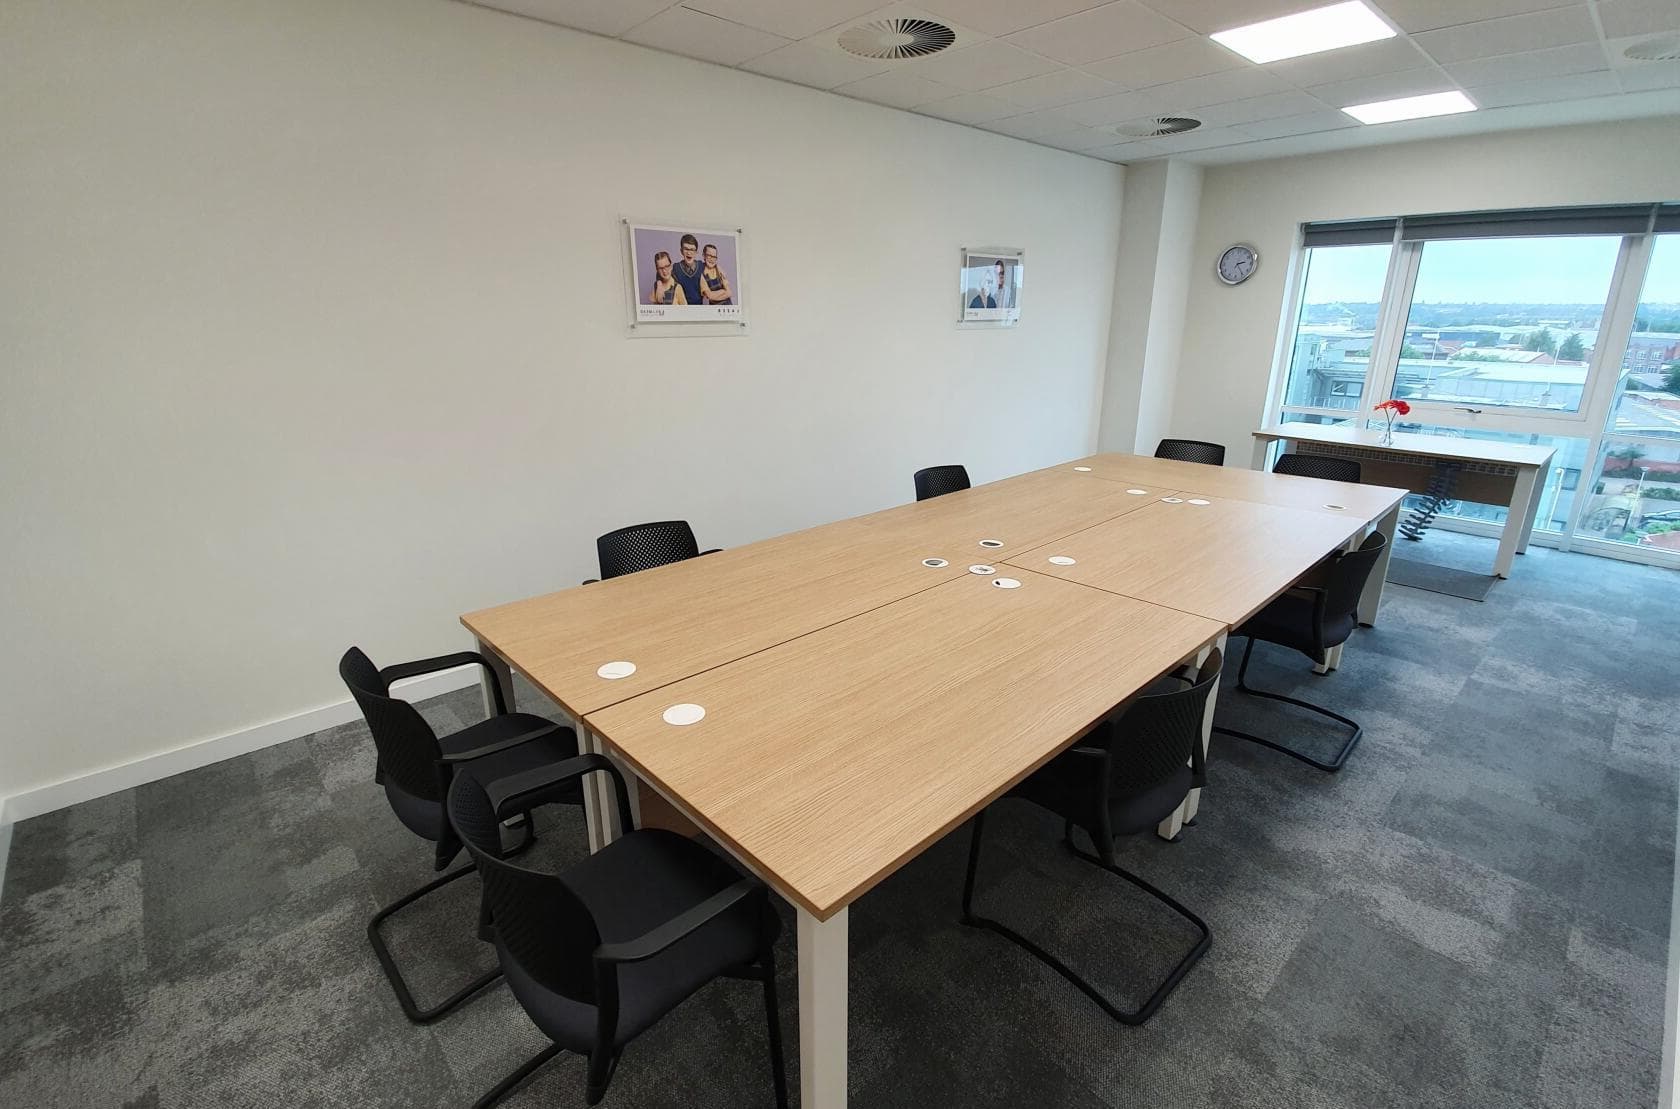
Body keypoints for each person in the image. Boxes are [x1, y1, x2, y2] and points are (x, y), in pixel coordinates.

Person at [670, 233, 705, 306]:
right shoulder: (676, 268)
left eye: (692, 249)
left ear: (696, 252)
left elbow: (713, 268)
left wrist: (718, 268)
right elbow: (664, 276)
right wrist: (659, 284)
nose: (689, 252)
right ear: (681, 251)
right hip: (682, 307)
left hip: (699, 307)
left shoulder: (701, 266)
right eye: (686, 249)